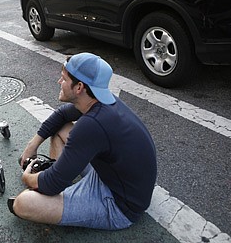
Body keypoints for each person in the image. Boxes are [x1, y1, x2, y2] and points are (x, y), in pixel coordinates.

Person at [9, 53, 157, 230]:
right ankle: (63, 180)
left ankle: (61, 185)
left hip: (120, 206)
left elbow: (51, 184)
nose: (59, 82)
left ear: (79, 87)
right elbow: (63, 114)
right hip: (114, 177)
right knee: (61, 129)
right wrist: (32, 145)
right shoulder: (102, 102)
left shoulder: (91, 125)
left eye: (63, 79)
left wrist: (28, 177)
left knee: (23, 203)